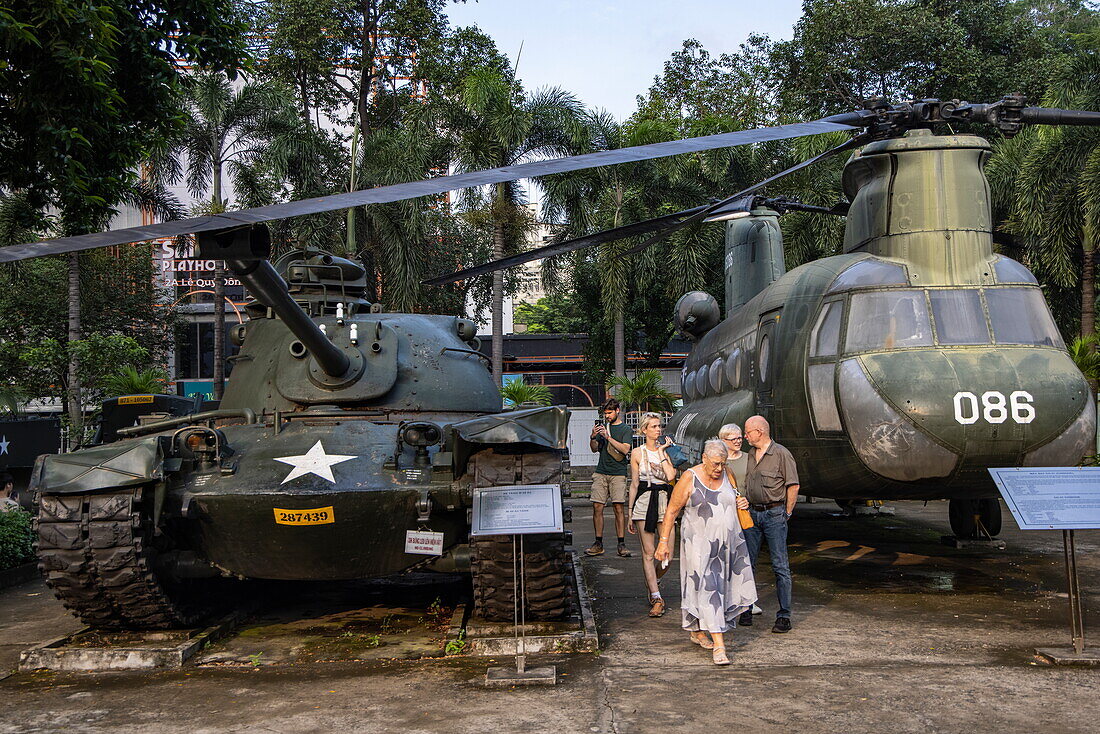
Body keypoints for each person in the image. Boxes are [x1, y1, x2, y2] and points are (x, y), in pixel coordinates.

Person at [654, 439, 756, 666]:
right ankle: (719, 644)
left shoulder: (728, 473)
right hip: (699, 546)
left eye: (723, 463)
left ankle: (697, 629)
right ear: (704, 458)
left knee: (715, 589)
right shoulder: (690, 478)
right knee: (710, 589)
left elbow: (733, 497)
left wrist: (742, 503)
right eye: (716, 463)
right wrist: (663, 543)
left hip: (729, 545)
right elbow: (672, 511)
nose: (719, 468)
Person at [739, 415, 800, 633]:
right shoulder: (751, 455)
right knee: (748, 564)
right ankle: (745, 608)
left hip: (774, 514)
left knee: (780, 565)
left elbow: (793, 485)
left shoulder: (781, 454)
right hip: (753, 514)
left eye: (748, 432)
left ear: (760, 432)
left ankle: (784, 616)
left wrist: (787, 512)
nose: (745, 437)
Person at [626, 413, 677, 617]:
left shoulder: (665, 451)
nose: (658, 430)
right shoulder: (637, 453)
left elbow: (671, 476)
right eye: (654, 426)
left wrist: (663, 451)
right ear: (644, 430)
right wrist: (629, 512)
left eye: (659, 426)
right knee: (648, 553)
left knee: (668, 556)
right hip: (644, 502)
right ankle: (656, 596)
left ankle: (652, 580)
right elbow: (634, 484)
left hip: (664, 501)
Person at [586, 398, 633, 557]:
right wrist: (593, 437)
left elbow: (625, 450)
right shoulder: (602, 429)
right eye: (605, 413)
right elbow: (594, 449)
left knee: (618, 508)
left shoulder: (626, 429)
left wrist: (608, 437)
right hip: (601, 471)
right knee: (597, 507)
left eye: (609, 413)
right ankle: (598, 543)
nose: (607, 416)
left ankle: (621, 543)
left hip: (618, 473)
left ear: (617, 411)